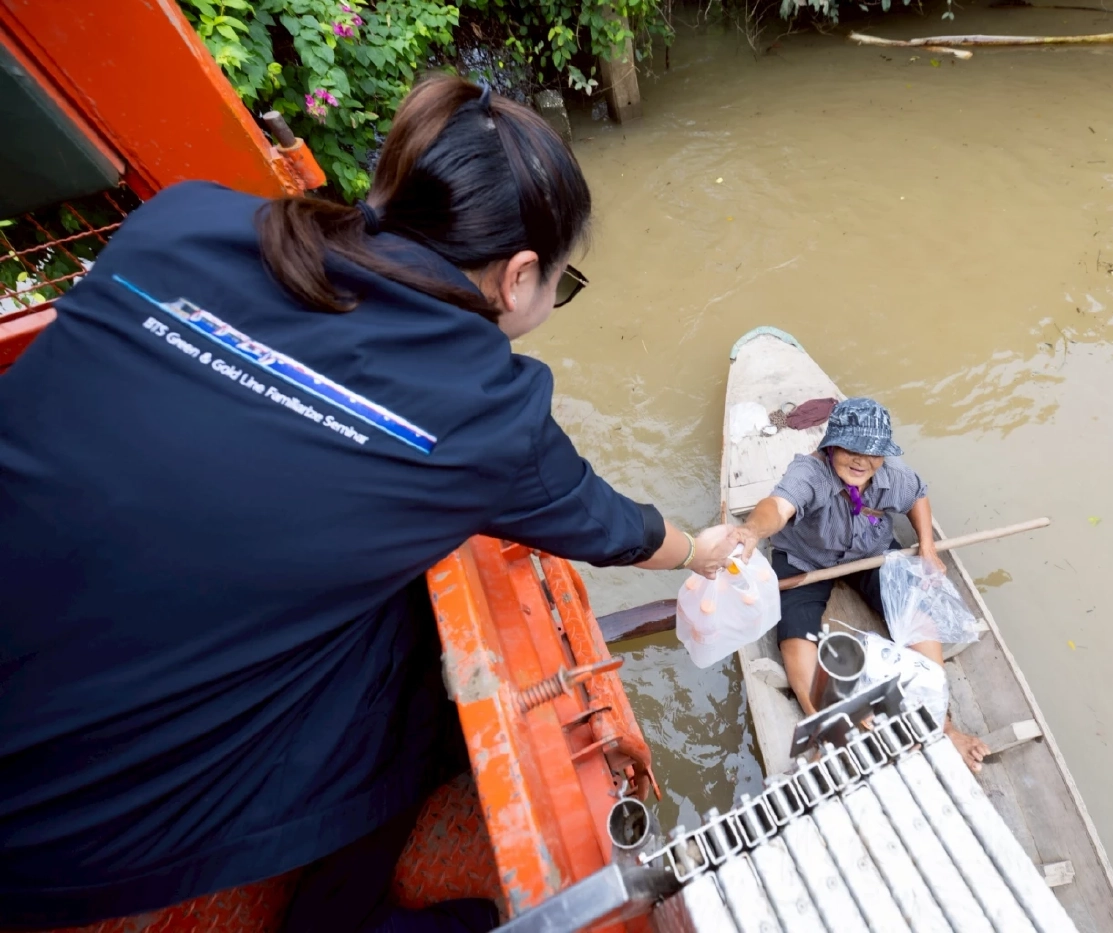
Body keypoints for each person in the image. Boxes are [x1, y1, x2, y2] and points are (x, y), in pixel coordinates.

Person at [0, 75, 738, 932]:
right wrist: (704, 550)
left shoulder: (182, 220)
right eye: (559, 284)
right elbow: (608, 524)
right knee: (410, 681)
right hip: (48, 833)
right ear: (519, 277)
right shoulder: (485, 410)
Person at [732, 398, 990, 773]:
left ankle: (941, 724)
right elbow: (778, 506)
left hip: (871, 552)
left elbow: (917, 495)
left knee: (915, 609)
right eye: (851, 449)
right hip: (806, 560)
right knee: (794, 634)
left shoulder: (892, 474)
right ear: (832, 445)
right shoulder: (809, 473)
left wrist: (927, 547)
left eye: (873, 453)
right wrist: (752, 530)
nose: (861, 461)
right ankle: (828, 729)